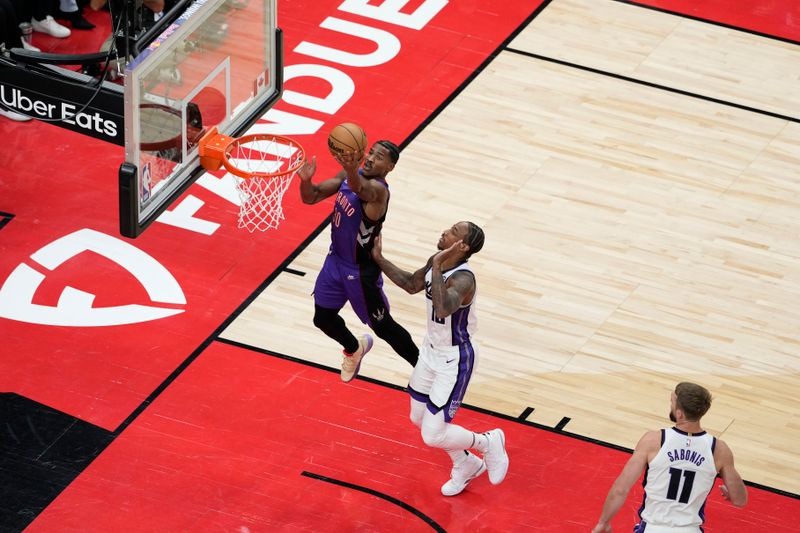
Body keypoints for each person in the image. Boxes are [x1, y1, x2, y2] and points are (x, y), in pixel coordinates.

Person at [371, 221, 509, 496]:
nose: (445, 232)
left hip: (454, 359)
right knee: (418, 417)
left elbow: (444, 309)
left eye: (453, 232)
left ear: (463, 246)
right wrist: (378, 258)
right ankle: (465, 462)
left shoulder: (464, 279)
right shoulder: (437, 262)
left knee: (433, 434)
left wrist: (436, 266)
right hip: (431, 351)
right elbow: (412, 284)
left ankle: (488, 442)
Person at [297, 141, 419, 382]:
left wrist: (351, 168)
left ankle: (427, 370)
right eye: (371, 152)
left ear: (390, 166)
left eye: (379, 156)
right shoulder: (351, 174)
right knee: (322, 319)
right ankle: (354, 348)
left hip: (361, 271)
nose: (372, 158)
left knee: (384, 327)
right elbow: (311, 197)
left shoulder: (379, 191)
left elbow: (360, 188)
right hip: (335, 260)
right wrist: (305, 181)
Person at [591, 382, 748, 533]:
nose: (670, 405)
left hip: (653, 528)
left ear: (679, 413)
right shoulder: (719, 449)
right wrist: (731, 491)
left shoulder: (653, 440)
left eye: (672, 402)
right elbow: (740, 500)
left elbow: (620, 489)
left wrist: (603, 522)